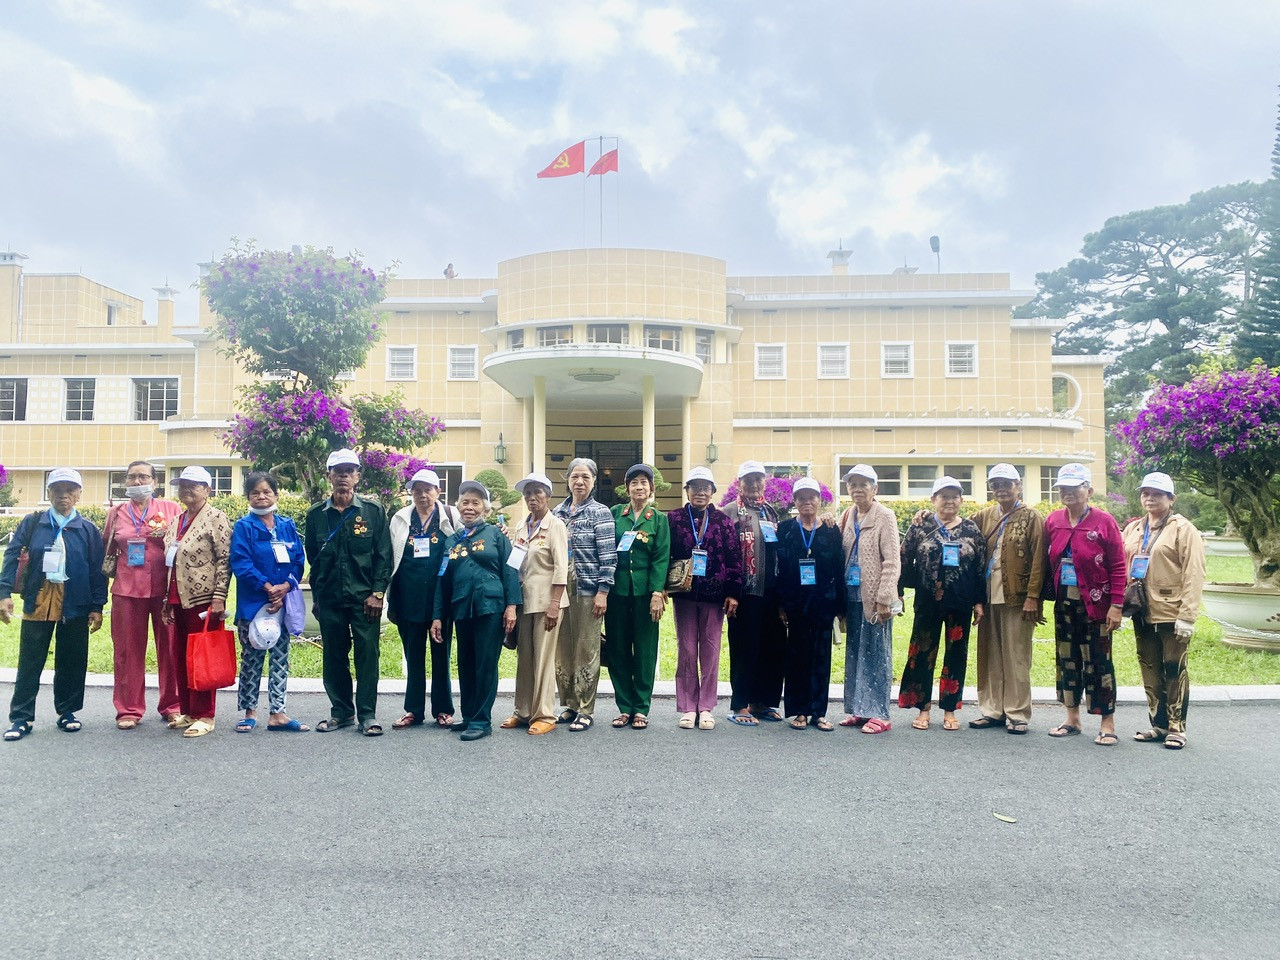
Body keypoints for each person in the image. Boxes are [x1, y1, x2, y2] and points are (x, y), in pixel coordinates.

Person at [1, 469, 107, 741]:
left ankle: (68, 712)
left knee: (72, 659)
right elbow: (12, 557)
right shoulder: (33, 522)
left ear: (79, 494)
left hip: (76, 600)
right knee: (30, 660)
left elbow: (98, 571)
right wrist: (4, 594)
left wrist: (97, 605)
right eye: (57, 489)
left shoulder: (87, 529)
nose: (64, 495)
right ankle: (21, 717)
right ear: (48, 493)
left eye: (70, 489)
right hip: (40, 597)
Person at [304, 449, 393, 737]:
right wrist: (317, 597)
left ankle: (367, 714)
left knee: (368, 655)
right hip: (330, 598)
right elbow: (313, 559)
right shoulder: (316, 515)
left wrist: (378, 593)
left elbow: (383, 555)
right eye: (337, 470)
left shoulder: (373, 511)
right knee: (334, 656)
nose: (343, 475)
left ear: (357, 476)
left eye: (349, 470)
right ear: (329, 476)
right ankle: (341, 712)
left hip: (364, 598)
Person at [1043, 463, 1127, 746]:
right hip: (1064, 604)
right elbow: (1045, 561)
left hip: (1098, 605)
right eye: (1063, 488)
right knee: (1067, 659)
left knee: (1099, 662)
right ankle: (1072, 718)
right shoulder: (1053, 520)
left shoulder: (1104, 521)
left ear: (1088, 490)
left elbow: (1118, 565)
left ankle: (1107, 722)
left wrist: (1117, 605)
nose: (1068, 493)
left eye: (1075, 487)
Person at [431, 480, 521, 742]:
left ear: (485, 509)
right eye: (465, 502)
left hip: (491, 607)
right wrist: (438, 616)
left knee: (485, 664)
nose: (469, 507)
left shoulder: (496, 534)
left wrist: (512, 607)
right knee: (466, 664)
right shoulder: (451, 541)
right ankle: (469, 715)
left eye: (476, 502)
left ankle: (482, 720)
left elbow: (510, 570)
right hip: (462, 607)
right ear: (458, 506)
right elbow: (442, 580)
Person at [1122, 471, 1206, 750]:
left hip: (1171, 611)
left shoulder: (1184, 529)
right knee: (1149, 667)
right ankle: (1157, 724)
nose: (1150, 498)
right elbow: (1124, 567)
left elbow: (1194, 573)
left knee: (1174, 668)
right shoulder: (1134, 528)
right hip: (1141, 609)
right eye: (1145, 493)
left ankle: (1176, 727)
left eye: (1157, 494)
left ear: (1171, 498)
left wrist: (1188, 615)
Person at [898, 476, 986, 732]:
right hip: (927, 601)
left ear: (961, 500)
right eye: (943, 496)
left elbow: (980, 568)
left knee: (956, 654)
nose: (949, 501)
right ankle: (922, 709)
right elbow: (904, 559)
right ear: (933, 500)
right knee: (922, 651)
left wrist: (979, 601)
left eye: (954, 496)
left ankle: (950, 709)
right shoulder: (920, 525)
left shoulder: (971, 529)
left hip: (960, 601)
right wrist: (899, 592)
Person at [101, 460, 182, 729]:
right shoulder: (116, 512)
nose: (137, 482)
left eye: (143, 477)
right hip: (126, 590)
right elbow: (107, 549)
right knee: (127, 650)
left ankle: (172, 705)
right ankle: (129, 709)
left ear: (154, 482)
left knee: (170, 648)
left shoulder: (171, 509)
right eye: (132, 477)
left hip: (164, 590)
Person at [968, 463, 1046, 735]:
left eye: (1006, 484)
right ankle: (992, 710)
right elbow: (956, 525)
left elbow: (1039, 559)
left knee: (1016, 656)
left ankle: (1017, 713)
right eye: (996, 484)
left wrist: (1033, 596)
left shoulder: (1032, 516)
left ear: (1018, 486)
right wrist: (925, 517)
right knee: (989, 655)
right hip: (988, 597)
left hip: (1018, 597)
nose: (1001, 489)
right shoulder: (984, 516)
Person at [229, 472, 308, 733]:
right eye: (255, 492)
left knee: (280, 658)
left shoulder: (287, 524)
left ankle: (278, 713)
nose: (262, 497)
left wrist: (285, 587)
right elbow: (241, 562)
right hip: (254, 603)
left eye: (267, 492)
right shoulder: (244, 526)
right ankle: (249, 712)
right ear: (248, 497)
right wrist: (267, 588)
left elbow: (298, 559)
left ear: (276, 494)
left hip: (282, 602)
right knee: (252, 657)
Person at [666, 466, 743, 730]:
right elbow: (665, 553)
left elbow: (735, 558)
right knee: (686, 649)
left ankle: (706, 706)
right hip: (684, 594)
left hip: (714, 595)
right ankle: (688, 706)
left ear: (712, 492)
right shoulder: (674, 519)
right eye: (695, 487)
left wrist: (733, 592)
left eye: (705, 487)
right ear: (687, 490)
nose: (700, 492)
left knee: (710, 650)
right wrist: (663, 586)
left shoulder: (722, 521)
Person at [162, 466, 233, 739]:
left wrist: (219, 596)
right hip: (177, 597)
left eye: (194, 485)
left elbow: (225, 560)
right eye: (183, 485)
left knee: (202, 656)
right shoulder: (177, 520)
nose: (187, 490)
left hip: (204, 600)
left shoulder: (216, 518)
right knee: (180, 655)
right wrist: (166, 601)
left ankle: (206, 714)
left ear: (208, 489)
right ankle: (189, 710)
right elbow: (169, 561)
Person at [388, 469, 462, 730]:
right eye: (417, 489)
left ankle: (443, 709)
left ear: (438, 491)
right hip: (408, 597)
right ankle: (413, 710)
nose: (422, 494)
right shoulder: (399, 519)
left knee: (441, 654)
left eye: (428, 489)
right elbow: (391, 558)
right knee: (413, 656)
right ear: (411, 492)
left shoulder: (451, 517)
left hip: (441, 598)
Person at [551, 457, 617, 732]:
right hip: (559, 590)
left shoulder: (600, 512)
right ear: (567, 479)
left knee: (587, 650)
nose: (579, 482)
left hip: (588, 590)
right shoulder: (557, 513)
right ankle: (570, 704)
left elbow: (609, 556)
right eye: (575, 476)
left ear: (592, 481)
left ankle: (586, 709)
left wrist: (603, 591)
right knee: (563, 650)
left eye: (585, 477)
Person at [501, 472, 568, 736]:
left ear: (548, 496)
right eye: (527, 493)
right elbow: (515, 565)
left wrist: (554, 603)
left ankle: (545, 714)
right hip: (524, 602)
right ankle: (523, 710)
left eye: (537, 492)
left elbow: (562, 567)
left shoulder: (556, 526)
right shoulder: (521, 526)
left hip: (547, 603)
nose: (531, 497)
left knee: (543, 660)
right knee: (525, 658)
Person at [605, 464, 670, 730]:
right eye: (634, 483)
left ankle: (641, 707)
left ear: (651, 488)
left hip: (645, 593)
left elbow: (661, 556)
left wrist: (657, 592)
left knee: (644, 650)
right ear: (627, 488)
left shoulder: (658, 519)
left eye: (644, 482)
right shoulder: (614, 514)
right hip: (617, 590)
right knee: (617, 649)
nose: (639, 487)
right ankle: (624, 707)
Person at [837, 464, 901, 735]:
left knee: (876, 655)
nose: (858, 488)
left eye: (864, 484)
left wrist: (885, 597)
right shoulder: (846, 515)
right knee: (855, 653)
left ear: (875, 488)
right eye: (853, 484)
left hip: (875, 598)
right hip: (851, 597)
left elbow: (892, 560)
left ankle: (880, 713)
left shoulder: (885, 516)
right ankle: (859, 709)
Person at [777, 478, 844, 731]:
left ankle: (818, 712)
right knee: (796, 656)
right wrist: (781, 604)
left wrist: (840, 607)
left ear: (819, 500)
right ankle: (799, 711)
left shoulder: (830, 529)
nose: (807, 501)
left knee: (821, 656)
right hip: (795, 603)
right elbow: (778, 570)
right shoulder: (784, 529)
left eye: (812, 497)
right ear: (795, 501)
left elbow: (839, 567)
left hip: (823, 603)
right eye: (801, 497)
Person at [725, 460, 785, 726]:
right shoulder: (728, 513)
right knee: (744, 648)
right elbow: (724, 556)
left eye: (758, 479)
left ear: (765, 482)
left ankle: (763, 702)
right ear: (739, 483)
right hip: (743, 593)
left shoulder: (771, 512)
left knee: (772, 647)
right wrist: (730, 591)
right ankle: (741, 704)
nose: (754, 484)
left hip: (771, 592)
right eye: (748, 480)